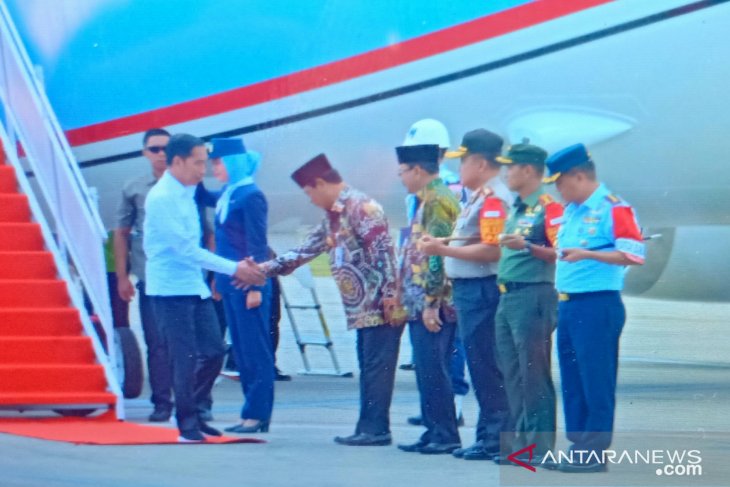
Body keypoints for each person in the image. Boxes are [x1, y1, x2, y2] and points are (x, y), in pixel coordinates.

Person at [255, 154, 404, 446]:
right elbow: (306, 249)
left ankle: (376, 430)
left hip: (380, 305)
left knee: (377, 367)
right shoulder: (337, 214)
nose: (310, 200)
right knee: (370, 366)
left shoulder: (363, 208)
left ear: (321, 183)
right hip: (363, 308)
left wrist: (390, 296)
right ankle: (368, 427)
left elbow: (385, 254)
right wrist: (265, 269)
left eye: (310, 192)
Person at [143, 133, 265, 442]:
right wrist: (234, 268)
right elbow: (186, 249)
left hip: (192, 286)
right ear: (178, 162)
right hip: (170, 290)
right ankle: (186, 425)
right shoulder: (162, 198)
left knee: (213, 351)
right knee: (183, 357)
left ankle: (192, 409)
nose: (204, 170)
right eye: (198, 163)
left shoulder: (188, 189)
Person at [544, 143, 645, 473]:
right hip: (570, 305)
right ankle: (579, 445)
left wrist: (589, 255)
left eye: (560, 182)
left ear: (579, 176)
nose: (558, 190)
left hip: (598, 304)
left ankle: (595, 451)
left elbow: (633, 254)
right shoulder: (572, 210)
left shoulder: (613, 208)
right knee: (573, 379)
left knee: (595, 380)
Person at [418, 129, 512, 460]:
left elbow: (491, 250)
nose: (459, 170)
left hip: (483, 289)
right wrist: (444, 246)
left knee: (487, 366)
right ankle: (488, 437)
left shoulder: (492, 201)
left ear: (480, 163)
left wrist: (445, 252)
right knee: (481, 366)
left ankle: (495, 440)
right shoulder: (479, 196)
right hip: (472, 290)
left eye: (464, 162)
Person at [492, 143, 563, 466]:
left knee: (534, 375)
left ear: (529, 170)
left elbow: (560, 253)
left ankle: (541, 447)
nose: (506, 172)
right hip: (509, 297)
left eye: (511, 166)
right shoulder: (517, 208)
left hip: (533, 295)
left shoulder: (549, 208)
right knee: (514, 373)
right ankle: (522, 445)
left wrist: (528, 246)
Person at [401, 119, 469, 428]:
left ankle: (450, 407)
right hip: (427, 282)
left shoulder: (447, 191)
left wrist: (431, 295)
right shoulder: (422, 192)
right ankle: (436, 410)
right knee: (429, 356)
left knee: (447, 354)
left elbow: (438, 244)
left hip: (443, 284)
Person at [205, 137, 275, 434]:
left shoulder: (250, 195)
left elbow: (258, 244)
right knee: (242, 352)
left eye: (218, 162)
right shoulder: (228, 192)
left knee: (255, 350)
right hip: (231, 283)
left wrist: (257, 287)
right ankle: (250, 412)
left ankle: (257, 415)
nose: (214, 168)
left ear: (232, 162)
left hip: (249, 285)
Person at [114, 128, 174, 422]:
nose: (161, 153)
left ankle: (200, 401)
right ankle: (162, 402)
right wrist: (123, 276)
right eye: (154, 149)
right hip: (151, 279)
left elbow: (208, 231)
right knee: (157, 344)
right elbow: (121, 233)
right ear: (144, 153)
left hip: (186, 278)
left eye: (166, 147)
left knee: (195, 345)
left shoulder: (190, 183)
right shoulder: (134, 187)